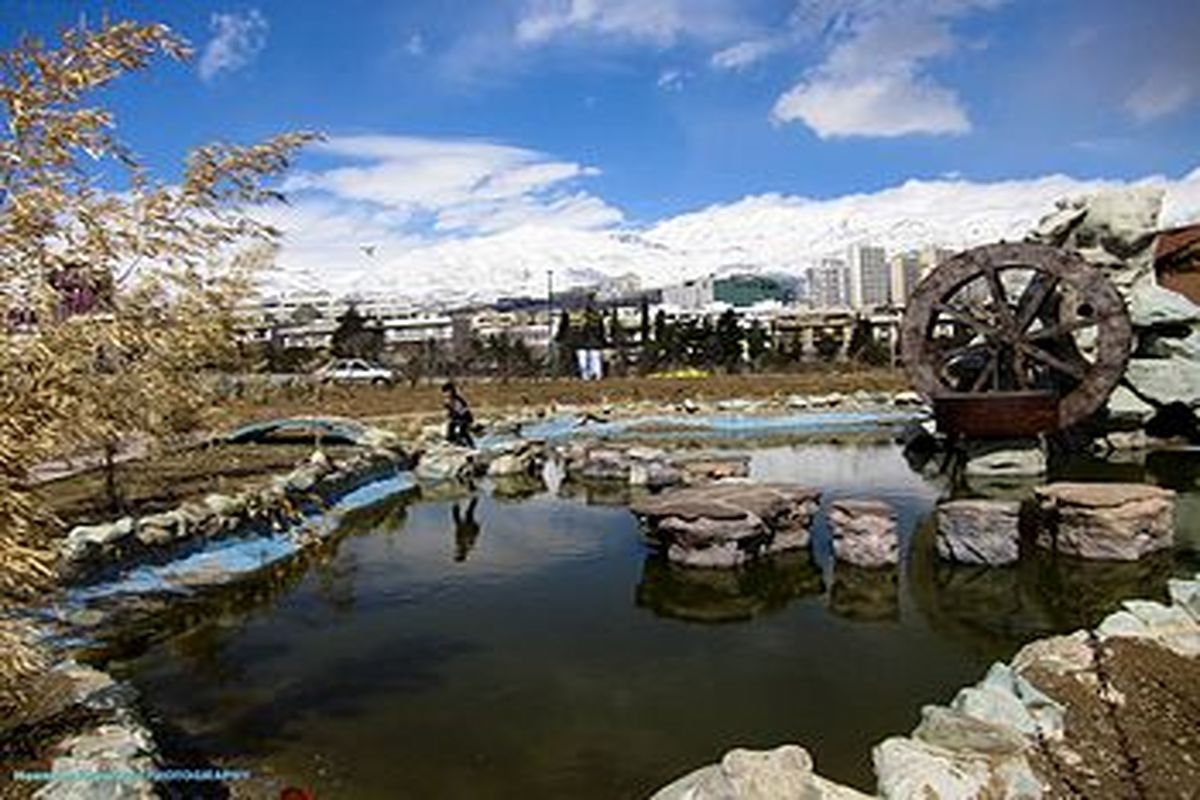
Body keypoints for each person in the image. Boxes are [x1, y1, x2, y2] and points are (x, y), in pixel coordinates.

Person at [442, 381, 474, 447]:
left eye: (447, 392)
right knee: (450, 428)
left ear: (451, 391)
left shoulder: (457, 400)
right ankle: (455, 443)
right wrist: (449, 415)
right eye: (444, 392)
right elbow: (450, 411)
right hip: (457, 418)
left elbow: (463, 411)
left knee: (463, 432)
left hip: (465, 418)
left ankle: (471, 446)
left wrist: (455, 416)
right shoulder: (447, 400)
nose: (446, 394)